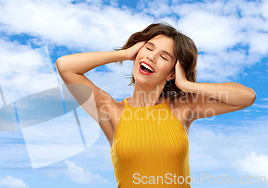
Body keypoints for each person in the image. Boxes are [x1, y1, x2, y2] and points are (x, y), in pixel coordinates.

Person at [55, 21, 256, 187]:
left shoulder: (182, 108)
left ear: (171, 72)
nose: (151, 56)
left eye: (163, 56)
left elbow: (246, 96)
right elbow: (66, 67)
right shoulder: (112, 112)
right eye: (148, 48)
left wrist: (186, 84)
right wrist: (124, 54)